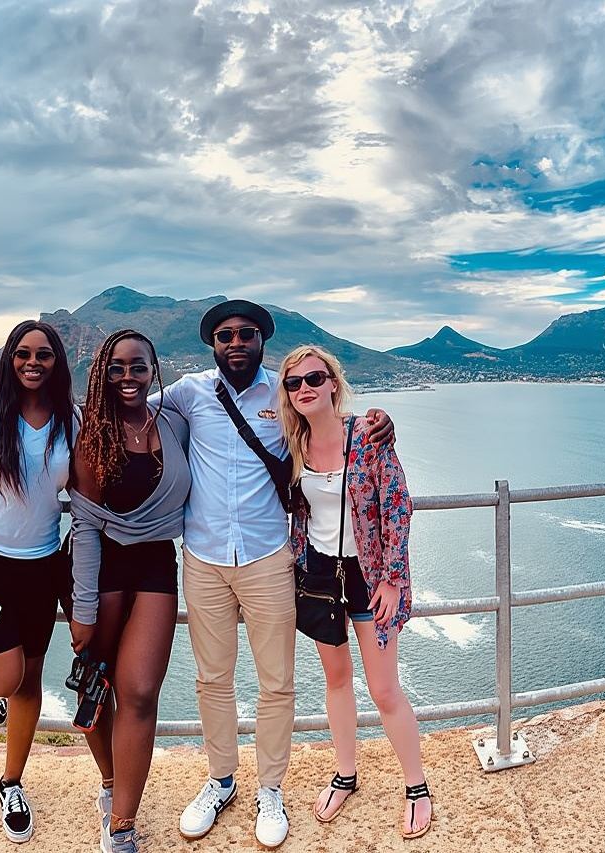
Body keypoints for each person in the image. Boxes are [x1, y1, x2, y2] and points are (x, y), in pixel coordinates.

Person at [157, 300, 394, 849]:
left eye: (245, 334)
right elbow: (124, 410)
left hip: (269, 559)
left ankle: (270, 787)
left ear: (262, 340)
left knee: (276, 683)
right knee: (211, 679)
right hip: (205, 559)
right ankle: (219, 780)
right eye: (223, 336)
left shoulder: (285, 394)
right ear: (211, 344)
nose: (235, 342)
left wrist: (382, 424)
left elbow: (339, 430)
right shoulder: (189, 393)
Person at [0, 319, 108, 844]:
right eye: (23, 353)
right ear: (9, 358)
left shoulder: (73, 421)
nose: (33, 362)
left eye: (44, 354)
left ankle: (11, 781)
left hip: (41, 565)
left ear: (58, 362)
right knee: (4, 680)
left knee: (29, 680)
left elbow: (87, 503)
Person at [276, 344, 431, 840]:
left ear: (333, 384)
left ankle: (417, 785)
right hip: (319, 575)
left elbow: (399, 508)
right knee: (337, 680)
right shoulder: (292, 444)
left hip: (370, 576)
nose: (304, 389)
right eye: (294, 383)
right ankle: (345, 774)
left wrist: (391, 578)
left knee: (384, 688)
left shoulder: (367, 435)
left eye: (314, 379)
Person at [68, 329, 192, 853]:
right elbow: (87, 524)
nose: (127, 377)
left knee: (139, 692)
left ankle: (121, 825)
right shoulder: (91, 432)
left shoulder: (175, 423)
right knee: (96, 685)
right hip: (102, 568)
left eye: (137, 367)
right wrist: (83, 608)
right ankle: (110, 783)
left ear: (152, 371)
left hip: (158, 563)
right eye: (116, 368)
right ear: (101, 373)